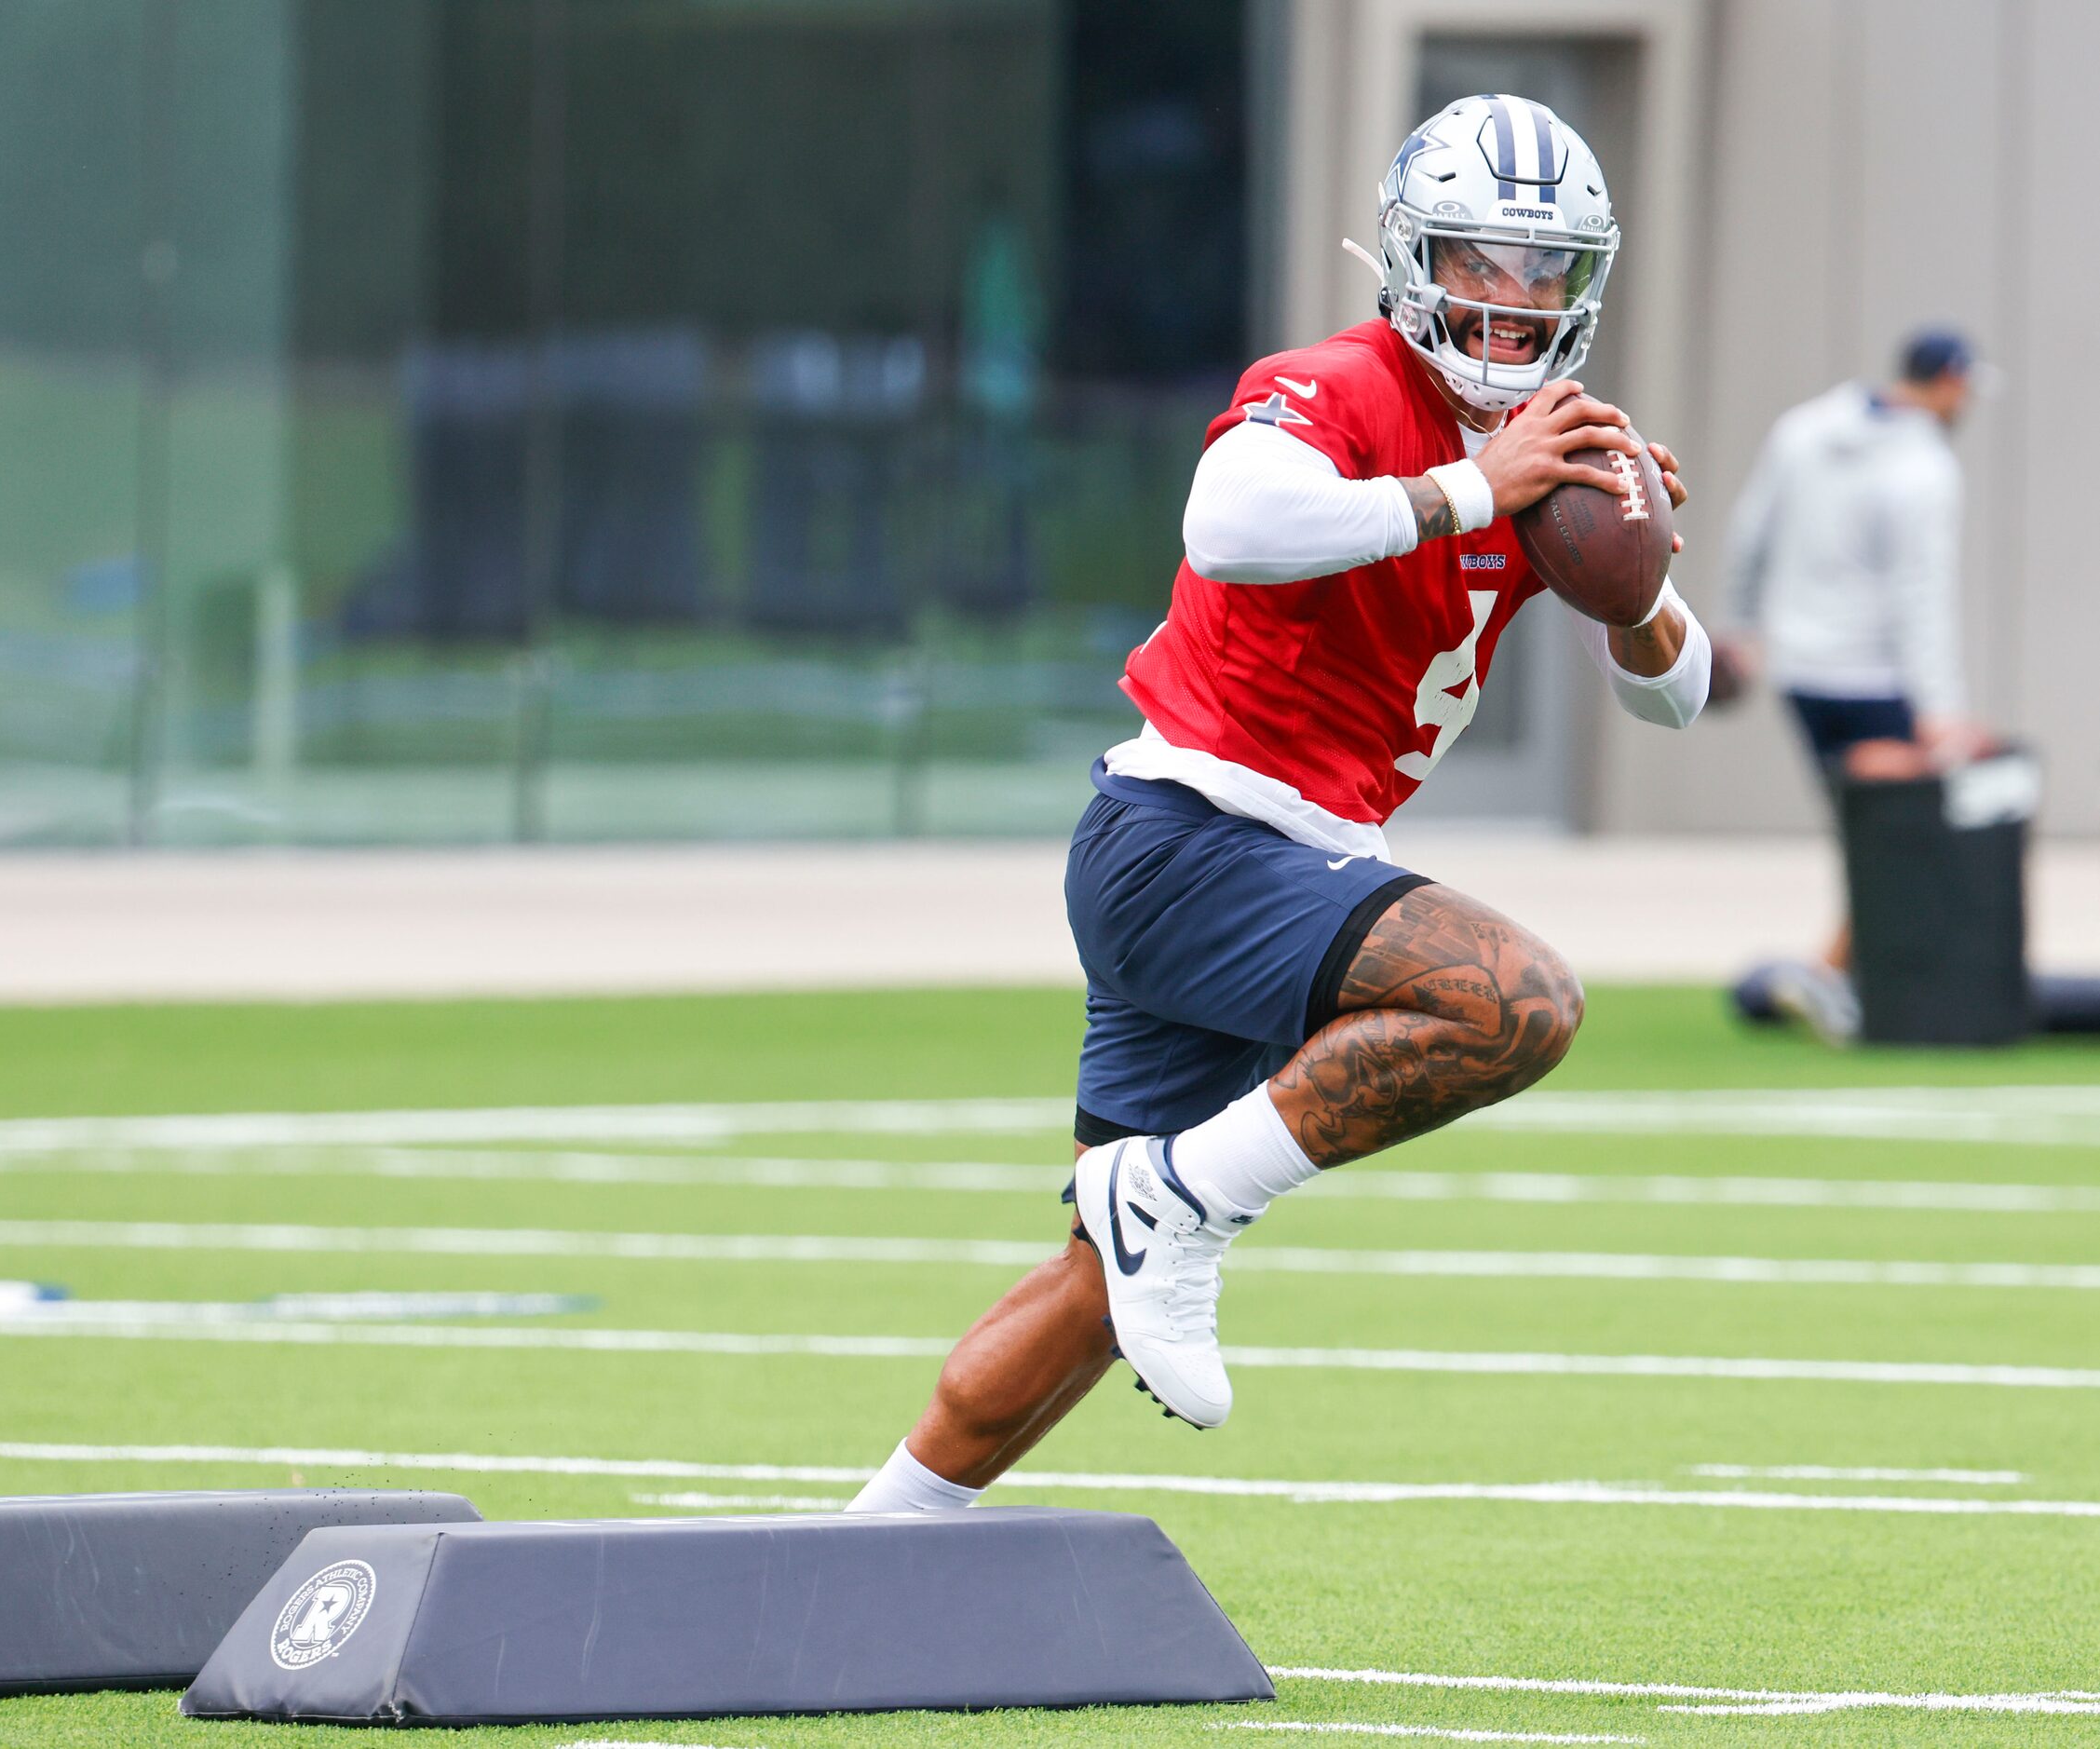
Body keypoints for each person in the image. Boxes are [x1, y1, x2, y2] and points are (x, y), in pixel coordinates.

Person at [846, 94, 1712, 1512]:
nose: (1512, 302)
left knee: (1089, 1291)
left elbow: (1681, 693)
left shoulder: (1549, 447)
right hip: (1192, 834)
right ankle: (1184, 1199)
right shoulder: (1347, 383)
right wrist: (1460, 492)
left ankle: (874, 1541)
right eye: (1479, 263)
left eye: (1543, 270)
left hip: (1255, 865)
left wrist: (1627, 583)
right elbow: (1228, 523)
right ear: (1412, 255)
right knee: (1512, 999)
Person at [1717, 332, 1994, 1040]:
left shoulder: (1801, 428)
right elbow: (1921, 595)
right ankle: (1834, 980)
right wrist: (1939, 709)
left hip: (1800, 670)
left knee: (1866, 835)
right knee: (1897, 841)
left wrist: (1738, 628)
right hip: (1875, 676)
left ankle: (1840, 975)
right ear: (1950, 382)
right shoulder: (1926, 466)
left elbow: (1751, 530)